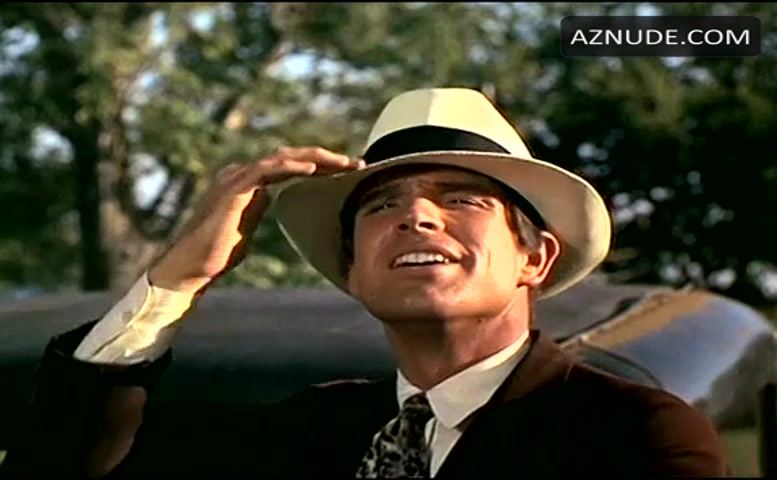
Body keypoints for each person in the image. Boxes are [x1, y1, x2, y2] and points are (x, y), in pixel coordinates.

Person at [0, 88, 729, 478]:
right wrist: (180, 275)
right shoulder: (305, 431)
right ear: (352, 272)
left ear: (534, 258)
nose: (416, 216)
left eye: (461, 198)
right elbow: (60, 468)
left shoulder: (631, 433)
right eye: (381, 206)